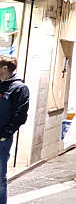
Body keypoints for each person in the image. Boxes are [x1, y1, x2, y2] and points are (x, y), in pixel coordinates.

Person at [0, 55, 29, 204]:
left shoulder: (19, 88)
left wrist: (5, 133)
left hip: (2, 141)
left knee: (0, 177)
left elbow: (20, 115)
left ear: (5, 68)